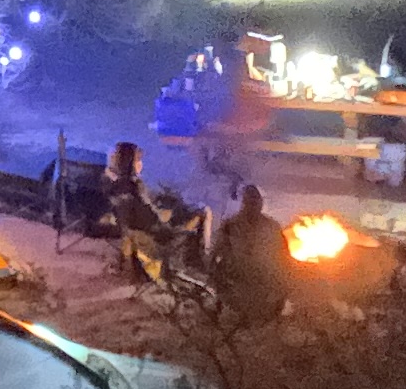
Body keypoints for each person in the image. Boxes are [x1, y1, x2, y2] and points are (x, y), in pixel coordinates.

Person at [99, 139, 205, 284]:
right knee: (202, 213)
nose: (140, 164)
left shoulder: (115, 188)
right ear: (130, 163)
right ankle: (197, 262)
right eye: (138, 160)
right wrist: (164, 217)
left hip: (138, 235)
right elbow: (152, 222)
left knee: (179, 208)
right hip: (158, 241)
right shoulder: (135, 189)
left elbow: (138, 214)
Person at [209, 181, 290, 326]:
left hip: (263, 272)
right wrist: (212, 268)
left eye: (256, 201)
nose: (253, 205)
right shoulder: (230, 225)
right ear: (244, 203)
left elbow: (283, 252)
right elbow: (217, 249)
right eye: (249, 202)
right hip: (237, 271)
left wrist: (283, 272)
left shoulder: (272, 226)